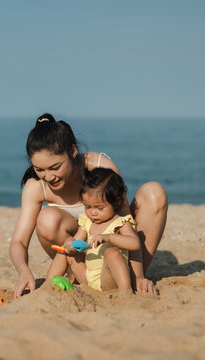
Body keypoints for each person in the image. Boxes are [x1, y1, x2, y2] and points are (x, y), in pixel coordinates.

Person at [9, 113, 168, 298]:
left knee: (154, 192)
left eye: (55, 167)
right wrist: (23, 271)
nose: (49, 177)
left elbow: (127, 223)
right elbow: (18, 241)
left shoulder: (99, 167)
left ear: (73, 151)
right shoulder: (35, 186)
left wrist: (139, 276)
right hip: (81, 262)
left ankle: (131, 278)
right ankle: (76, 275)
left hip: (116, 252)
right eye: (39, 169)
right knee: (47, 218)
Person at [47, 167, 141, 296]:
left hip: (109, 279)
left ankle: (126, 291)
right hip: (88, 277)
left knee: (111, 252)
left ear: (117, 202)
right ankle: (47, 285)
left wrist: (110, 238)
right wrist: (70, 243)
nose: (93, 212)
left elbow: (135, 243)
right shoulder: (87, 221)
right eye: (87, 206)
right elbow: (77, 242)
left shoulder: (120, 223)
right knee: (63, 251)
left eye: (100, 208)